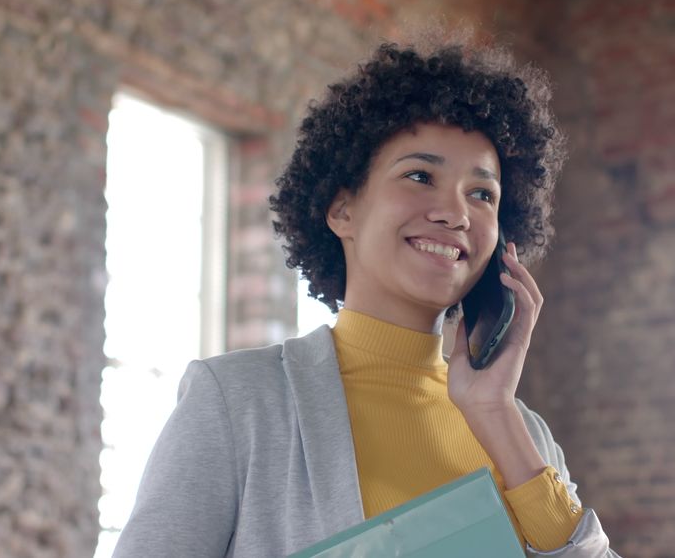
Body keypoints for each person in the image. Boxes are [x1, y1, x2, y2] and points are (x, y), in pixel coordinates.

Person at [113, 34, 620, 557]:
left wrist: (494, 411)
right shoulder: (237, 401)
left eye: (482, 194)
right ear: (342, 210)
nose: (456, 213)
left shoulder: (524, 435)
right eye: (420, 176)